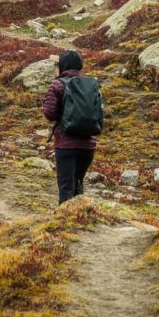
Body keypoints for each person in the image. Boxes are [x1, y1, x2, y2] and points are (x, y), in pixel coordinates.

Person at [42, 49, 97, 204]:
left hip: (66, 145)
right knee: (78, 183)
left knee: (66, 187)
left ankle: (65, 222)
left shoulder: (58, 84)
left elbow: (49, 113)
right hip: (88, 145)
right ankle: (81, 217)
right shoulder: (91, 85)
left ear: (62, 66)